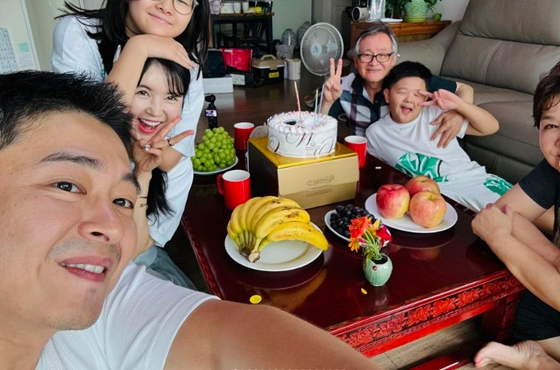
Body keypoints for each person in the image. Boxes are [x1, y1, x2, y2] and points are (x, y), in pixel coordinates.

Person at [0, 71, 380, 370]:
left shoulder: (106, 300)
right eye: (66, 185)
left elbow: (226, 335)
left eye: (121, 201)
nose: (113, 227)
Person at [51, 0, 210, 285]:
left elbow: (172, 158)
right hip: (88, 186)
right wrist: (140, 47)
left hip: (148, 188)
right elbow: (88, 137)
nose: (167, 5)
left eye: (183, 0)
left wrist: (144, 155)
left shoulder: (189, 66)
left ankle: (142, 248)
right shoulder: (78, 32)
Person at [471, 61, 560, 369]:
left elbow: (496, 228)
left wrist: (501, 240)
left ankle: (537, 363)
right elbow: (500, 214)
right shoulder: (554, 169)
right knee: (520, 301)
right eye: (551, 126)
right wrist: (553, 258)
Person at [365, 61, 511, 212]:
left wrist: (459, 106)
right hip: (433, 194)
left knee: (517, 211)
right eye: (402, 92)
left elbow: (491, 127)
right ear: (387, 95)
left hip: (471, 179)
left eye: (418, 94)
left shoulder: (437, 114)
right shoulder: (376, 134)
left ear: (425, 99)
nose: (409, 99)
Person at [320, 24, 474, 145]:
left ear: (393, 59)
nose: (374, 62)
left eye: (382, 55)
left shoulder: (410, 82)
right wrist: (326, 102)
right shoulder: (341, 87)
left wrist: (459, 113)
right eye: (366, 55)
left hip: (403, 156)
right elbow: (319, 133)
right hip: (369, 157)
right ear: (356, 61)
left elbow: (464, 89)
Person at [131, 58, 196, 287]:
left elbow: (137, 247)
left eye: (171, 97)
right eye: (142, 92)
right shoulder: (89, 149)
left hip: (136, 264)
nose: (155, 110)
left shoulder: (177, 171)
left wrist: (143, 173)